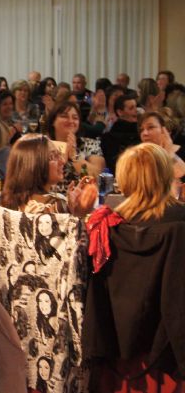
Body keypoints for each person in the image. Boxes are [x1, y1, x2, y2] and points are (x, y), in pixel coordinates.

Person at [84, 143, 185, 392]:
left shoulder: (104, 223)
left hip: (115, 356)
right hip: (168, 359)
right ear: (165, 175)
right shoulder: (180, 222)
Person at [0, 134, 97, 217]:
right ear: (34, 165)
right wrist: (80, 211)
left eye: (59, 154)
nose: (62, 161)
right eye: (53, 156)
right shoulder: (55, 206)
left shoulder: (4, 204)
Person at [46, 101, 106, 193]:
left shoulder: (90, 144)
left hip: (83, 199)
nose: (70, 121)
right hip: (49, 200)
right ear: (53, 121)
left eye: (75, 118)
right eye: (64, 116)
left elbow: (97, 176)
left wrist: (74, 156)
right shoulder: (43, 145)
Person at [100, 94, 141, 172]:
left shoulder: (141, 133)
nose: (136, 110)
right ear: (120, 112)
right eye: (131, 108)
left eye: (136, 107)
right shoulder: (109, 138)